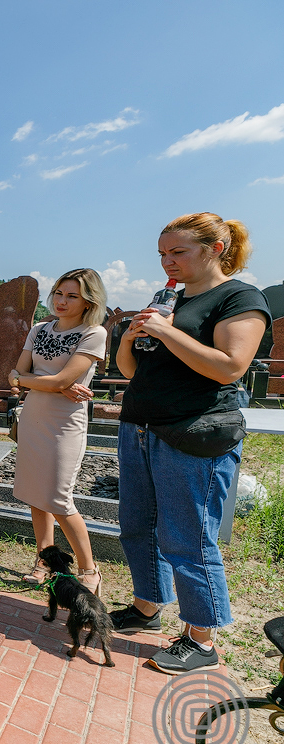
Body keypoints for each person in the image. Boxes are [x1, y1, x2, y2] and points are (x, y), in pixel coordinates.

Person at [110, 213, 269, 674]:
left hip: (192, 431)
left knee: (187, 536)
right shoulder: (169, 301)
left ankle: (202, 638)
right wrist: (134, 335)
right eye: (162, 253)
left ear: (216, 247)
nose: (167, 261)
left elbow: (229, 366)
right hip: (140, 424)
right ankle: (147, 606)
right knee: (138, 524)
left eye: (177, 251)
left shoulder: (239, 298)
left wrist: (166, 331)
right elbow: (132, 370)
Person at [9, 269, 108, 593]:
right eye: (59, 293)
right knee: (37, 497)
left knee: (59, 498)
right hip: (34, 417)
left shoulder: (93, 333)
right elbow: (17, 373)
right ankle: (46, 560)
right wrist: (53, 384)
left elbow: (53, 380)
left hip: (65, 423)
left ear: (88, 300)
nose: (62, 301)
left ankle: (88, 568)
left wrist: (51, 384)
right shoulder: (39, 329)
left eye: (72, 296)